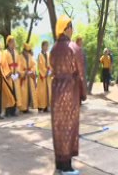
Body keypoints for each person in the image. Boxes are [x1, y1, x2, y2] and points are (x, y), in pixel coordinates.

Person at [50, 15, 87, 174]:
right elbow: (81, 73)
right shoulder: (74, 48)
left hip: (56, 91)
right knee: (69, 126)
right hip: (70, 91)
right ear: (66, 29)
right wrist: (83, 93)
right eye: (71, 27)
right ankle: (67, 166)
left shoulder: (53, 49)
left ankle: (59, 163)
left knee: (58, 127)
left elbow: (52, 67)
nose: (72, 31)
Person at [2, 35, 21, 117]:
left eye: (14, 41)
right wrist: (9, 74)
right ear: (8, 43)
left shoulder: (16, 52)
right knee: (9, 92)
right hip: (9, 76)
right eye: (12, 42)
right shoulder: (5, 53)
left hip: (15, 75)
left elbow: (19, 63)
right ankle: (7, 111)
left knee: (15, 92)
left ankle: (13, 110)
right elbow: (4, 64)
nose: (14, 43)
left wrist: (17, 73)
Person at [17, 43, 37, 113]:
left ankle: (28, 106)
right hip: (24, 76)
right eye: (26, 51)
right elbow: (18, 67)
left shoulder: (29, 56)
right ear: (24, 50)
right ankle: (23, 108)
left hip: (29, 76)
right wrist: (24, 73)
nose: (27, 52)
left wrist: (31, 71)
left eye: (28, 51)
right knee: (23, 92)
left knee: (30, 91)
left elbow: (34, 64)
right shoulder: (19, 57)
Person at [36, 41, 52, 112]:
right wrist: (45, 72)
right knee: (42, 91)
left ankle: (46, 106)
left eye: (47, 46)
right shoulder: (40, 55)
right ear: (42, 46)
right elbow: (40, 66)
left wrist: (50, 71)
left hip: (48, 75)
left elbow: (50, 64)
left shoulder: (48, 54)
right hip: (43, 76)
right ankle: (40, 106)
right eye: (45, 46)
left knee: (48, 91)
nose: (46, 47)